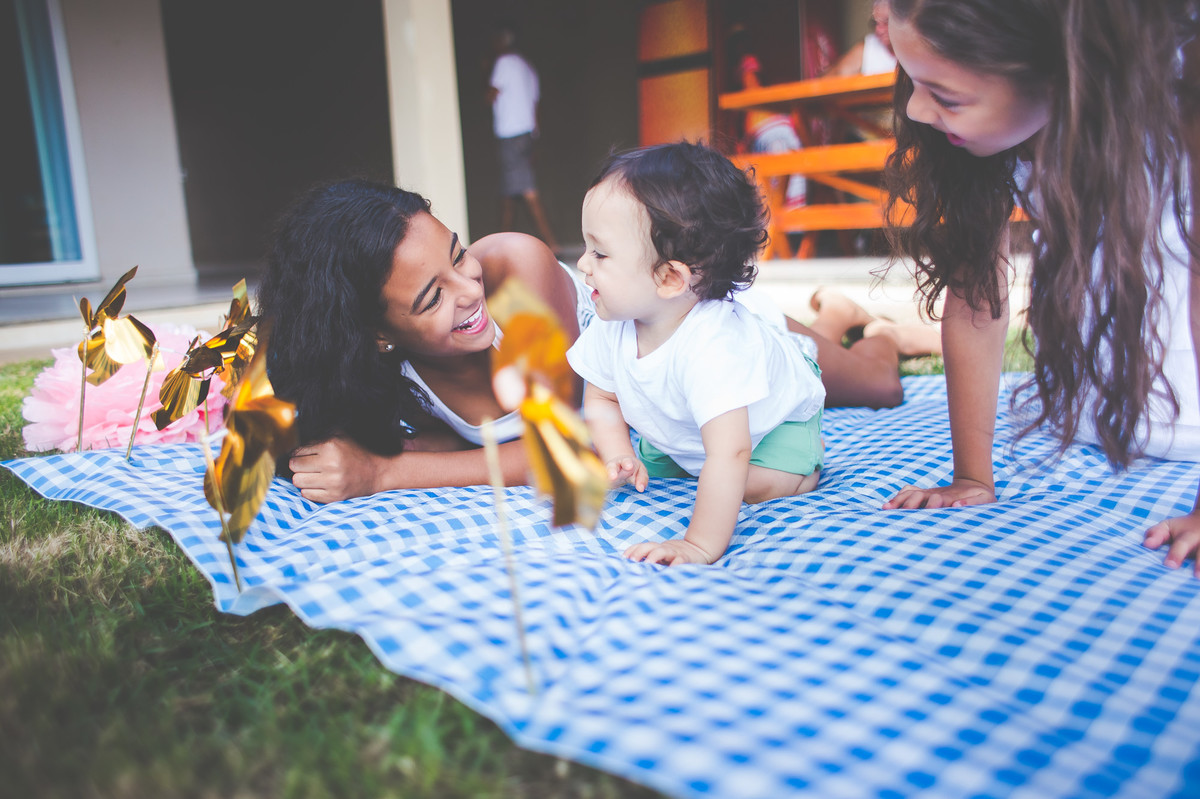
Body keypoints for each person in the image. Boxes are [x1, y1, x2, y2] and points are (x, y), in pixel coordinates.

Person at [256, 177, 919, 504]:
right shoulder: (383, 373)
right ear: (375, 337)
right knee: (827, 352)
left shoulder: (517, 270)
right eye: (432, 296)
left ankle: (873, 326)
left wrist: (382, 474)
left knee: (879, 386)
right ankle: (830, 315)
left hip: (706, 342)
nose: (469, 289)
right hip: (668, 407)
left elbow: (563, 447)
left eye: (458, 254)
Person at [879, 0, 1200, 575]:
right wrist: (973, 476)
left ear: (1059, 70)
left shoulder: (1180, 109)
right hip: (1092, 418)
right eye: (914, 82)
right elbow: (976, 297)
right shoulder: (999, 142)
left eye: (946, 96)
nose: (917, 110)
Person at [566, 142, 827, 566]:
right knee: (682, 466)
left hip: (775, 420)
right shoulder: (613, 319)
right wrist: (618, 453)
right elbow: (601, 397)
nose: (582, 264)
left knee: (755, 482)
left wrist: (699, 544)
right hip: (687, 428)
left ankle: (805, 464)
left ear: (669, 277)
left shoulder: (714, 346)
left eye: (600, 253)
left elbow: (731, 453)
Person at [487, 23, 559, 254]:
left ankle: (551, 244)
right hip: (527, 136)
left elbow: (490, 96)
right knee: (509, 194)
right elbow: (535, 106)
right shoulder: (528, 68)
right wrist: (534, 140)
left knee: (526, 192)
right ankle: (500, 247)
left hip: (510, 136)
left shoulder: (503, 63)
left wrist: (483, 71)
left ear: (501, 41)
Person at [823, 0, 897, 78]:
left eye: (886, 22)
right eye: (875, 23)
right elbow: (827, 81)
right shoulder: (867, 49)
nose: (878, 30)